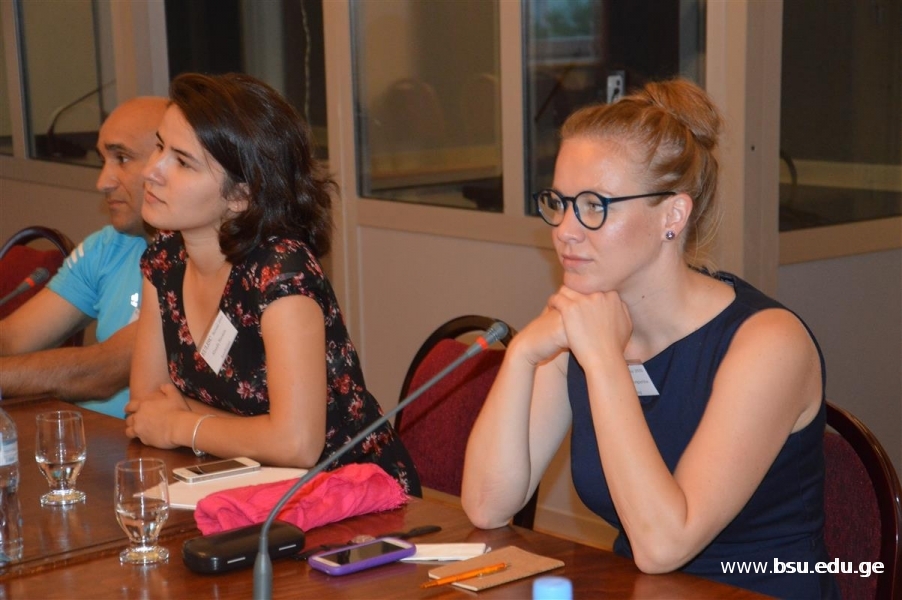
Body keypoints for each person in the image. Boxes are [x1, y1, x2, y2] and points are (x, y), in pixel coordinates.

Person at [461, 79, 838, 598]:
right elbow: (487, 506)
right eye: (559, 202)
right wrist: (523, 354)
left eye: (594, 205)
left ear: (672, 216)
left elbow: (663, 545)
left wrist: (604, 361)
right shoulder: (584, 319)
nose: (565, 229)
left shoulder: (769, 345)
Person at [125, 73, 420, 495]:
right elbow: (146, 406)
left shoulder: (281, 271)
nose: (151, 171)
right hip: (239, 484)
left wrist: (181, 425)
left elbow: (297, 445)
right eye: (159, 147)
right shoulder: (165, 256)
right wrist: (251, 433)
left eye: (183, 162)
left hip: (349, 495)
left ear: (240, 196)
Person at [0, 97, 168, 418]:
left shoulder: (200, 260)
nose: (102, 182)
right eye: (103, 159)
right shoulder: (108, 246)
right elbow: (13, 337)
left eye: (122, 158)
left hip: (145, 447)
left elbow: (101, 371)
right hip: (91, 437)